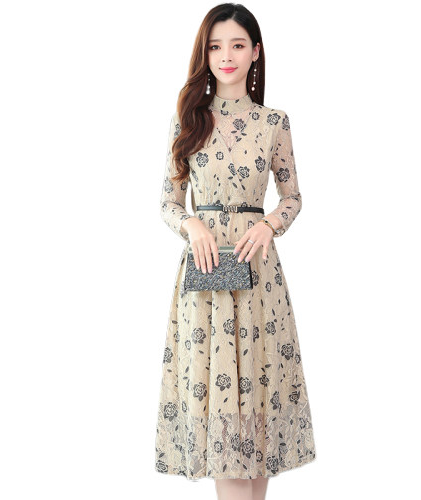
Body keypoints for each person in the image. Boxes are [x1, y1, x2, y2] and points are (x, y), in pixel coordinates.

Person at [155, 4, 317, 499]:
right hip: (206, 280)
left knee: (259, 418)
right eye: (216, 46)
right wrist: (192, 225)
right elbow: (167, 201)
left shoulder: (273, 122)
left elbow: (292, 197)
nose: (226, 55)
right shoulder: (189, 120)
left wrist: (269, 225)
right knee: (223, 419)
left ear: (255, 52)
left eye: (238, 45)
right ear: (205, 54)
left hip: (258, 277)